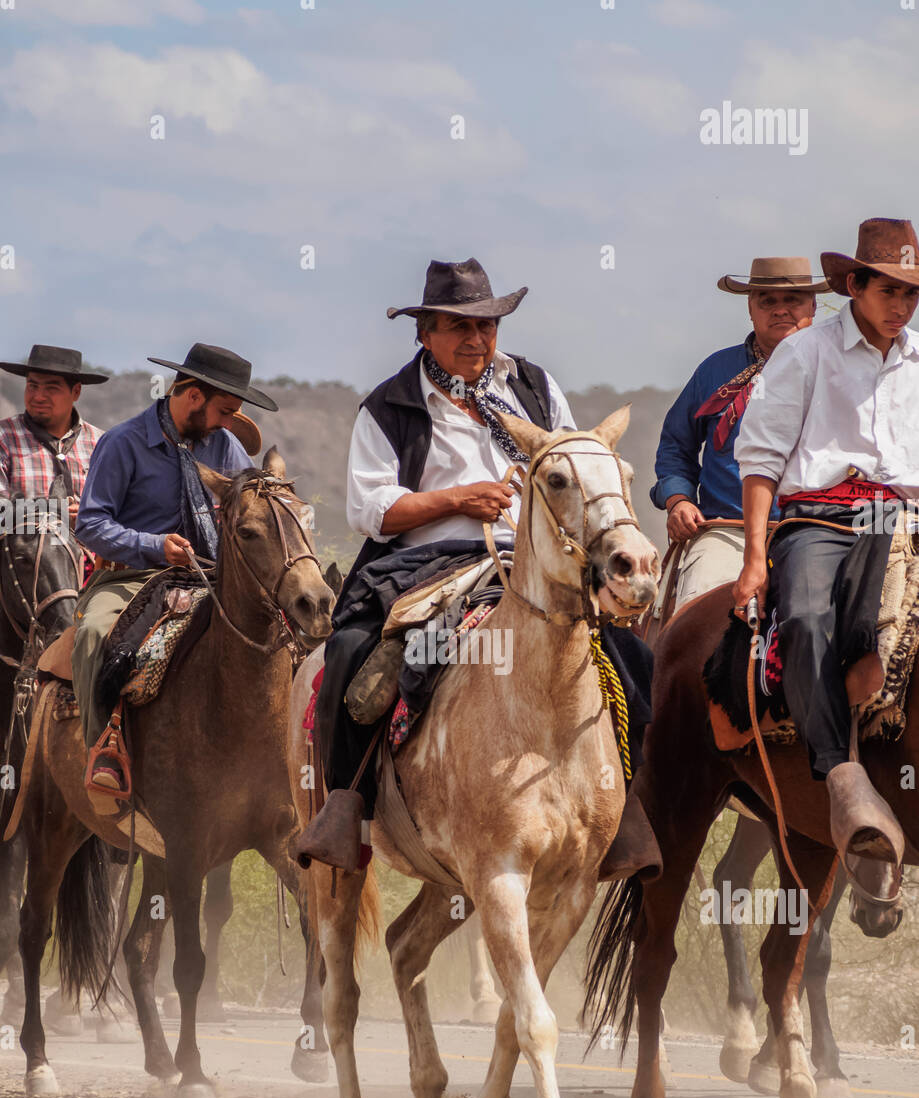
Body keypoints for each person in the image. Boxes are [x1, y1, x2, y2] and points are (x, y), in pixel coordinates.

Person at [297, 256, 656, 873]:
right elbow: (369, 508)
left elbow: (580, 459)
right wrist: (457, 500)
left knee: (637, 663)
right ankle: (345, 804)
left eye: (486, 326)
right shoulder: (389, 407)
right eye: (457, 326)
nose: (475, 340)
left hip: (532, 561)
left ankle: (623, 808)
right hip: (421, 566)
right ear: (424, 333)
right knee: (350, 653)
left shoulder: (535, 389)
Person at [733, 217, 919, 877]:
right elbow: (757, 458)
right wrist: (756, 557)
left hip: (904, 518)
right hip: (820, 517)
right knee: (807, 615)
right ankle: (840, 775)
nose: (899, 306)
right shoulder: (805, 352)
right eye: (888, 290)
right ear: (853, 285)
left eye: (910, 294)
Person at [73, 343, 278, 792]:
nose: (230, 424)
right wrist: (153, 546)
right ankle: (102, 746)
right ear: (192, 396)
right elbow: (90, 523)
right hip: (133, 576)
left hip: (212, 577)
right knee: (92, 633)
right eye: (225, 411)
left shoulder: (225, 447)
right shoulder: (123, 443)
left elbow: (254, 509)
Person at [652, 258, 827, 612]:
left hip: (818, 530)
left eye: (792, 300)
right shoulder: (714, 370)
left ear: (813, 306)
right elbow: (676, 446)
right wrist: (679, 500)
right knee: (696, 607)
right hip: (726, 530)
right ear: (751, 308)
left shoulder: (837, 369)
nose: (780, 310)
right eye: (767, 301)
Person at [0, 344, 108, 522]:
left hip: (87, 549)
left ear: (76, 392)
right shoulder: (4, 438)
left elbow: (121, 510)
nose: (39, 396)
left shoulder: (101, 444)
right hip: (18, 549)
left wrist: (89, 517)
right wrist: (53, 513)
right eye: (32, 386)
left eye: (51, 388)